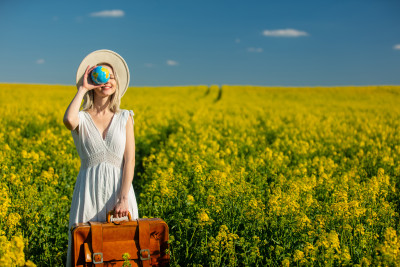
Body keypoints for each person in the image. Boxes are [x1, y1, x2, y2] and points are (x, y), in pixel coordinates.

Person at [63, 50, 139, 267]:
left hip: (120, 195)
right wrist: (82, 88)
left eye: (111, 76)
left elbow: (130, 161)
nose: (108, 81)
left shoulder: (125, 117)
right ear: (93, 80)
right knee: (86, 255)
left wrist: (123, 198)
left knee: (122, 254)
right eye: (101, 76)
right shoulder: (82, 119)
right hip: (88, 193)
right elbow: (68, 120)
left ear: (117, 83)